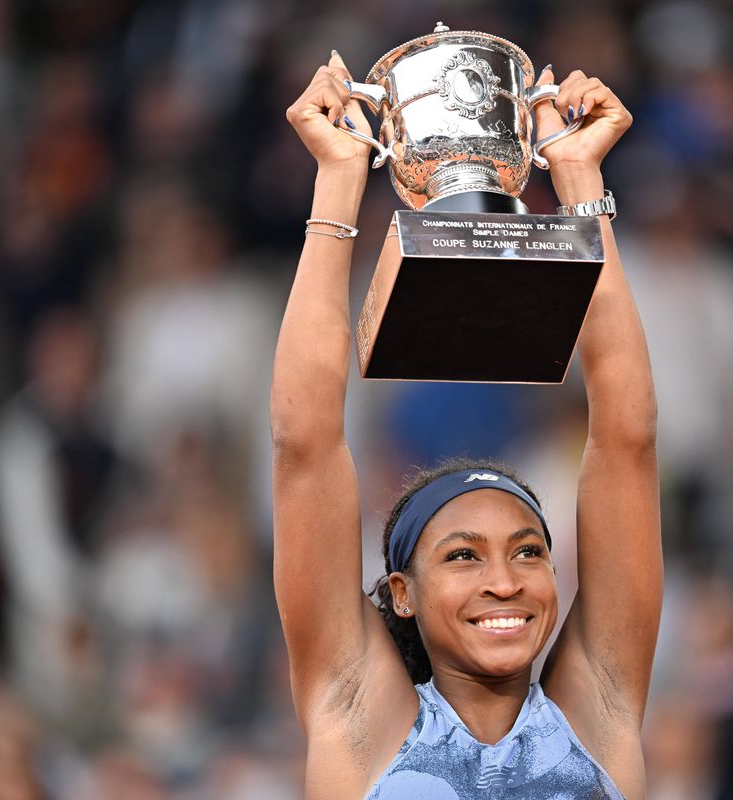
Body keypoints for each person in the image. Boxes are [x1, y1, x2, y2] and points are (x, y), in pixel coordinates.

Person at [270, 51, 661, 798]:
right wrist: (339, 181)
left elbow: (626, 440)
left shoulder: (599, 710)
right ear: (403, 592)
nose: (505, 582)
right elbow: (304, 445)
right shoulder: (359, 716)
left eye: (528, 552)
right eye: (462, 557)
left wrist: (580, 178)